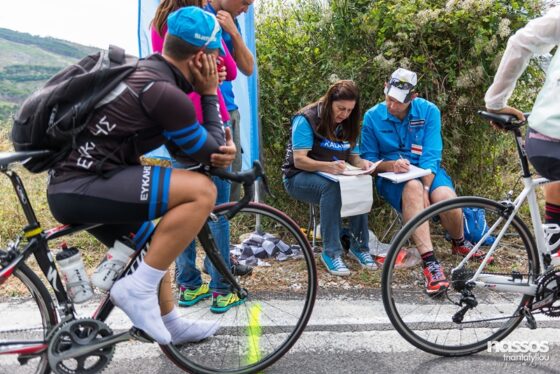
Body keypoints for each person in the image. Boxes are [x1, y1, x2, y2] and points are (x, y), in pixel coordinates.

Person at [46, 7, 235, 344]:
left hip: (76, 184)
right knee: (202, 191)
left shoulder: (147, 73)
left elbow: (189, 148)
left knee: (152, 242)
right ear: (199, 57)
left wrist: (208, 137)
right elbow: (214, 156)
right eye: (214, 57)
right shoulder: (165, 93)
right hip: (85, 185)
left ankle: (171, 323)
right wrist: (208, 93)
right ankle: (136, 289)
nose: (217, 65)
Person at [151, 0, 251, 314]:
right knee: (216, 210)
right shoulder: (202, 23)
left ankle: (188, 285)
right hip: (210, 121)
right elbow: (233, 70)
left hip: (177, 126)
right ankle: (222, 289)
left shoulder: (159, 26)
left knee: (182, 208)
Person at [361, 68, 493, 295]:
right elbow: (369, 161)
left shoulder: (429, 111)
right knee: (412, 188)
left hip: (427, 172)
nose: (392, 106)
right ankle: (430, 263)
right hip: (393, 179)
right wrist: (390, 165)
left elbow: (432, 155)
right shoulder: (372, 116)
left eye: (398, 102)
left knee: (445, 197)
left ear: (413, 97)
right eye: (389, 99)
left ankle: (459, 241)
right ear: (385, 88)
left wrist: (425, 186)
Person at [485, 3, 560, 254]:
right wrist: (495, 103)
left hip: (541, 136)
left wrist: (496, 102)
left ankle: (553, 255)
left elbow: (521, 42)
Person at [281, 80, 377, 276]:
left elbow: (353, 156)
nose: (344, 114)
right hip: (298, 177)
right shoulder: (306, 119)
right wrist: (327, 167)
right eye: (340, 108)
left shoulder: (349, 121)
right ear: (328, 102)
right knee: (332, 189)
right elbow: (299, 161)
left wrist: (363, 165)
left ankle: (360, 246)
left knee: (361, 184)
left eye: (350, 110)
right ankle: (331, 252)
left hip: (335, 175)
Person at [205, 0, 255, 201]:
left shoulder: (232, 20)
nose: (245, 10)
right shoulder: (200, 12)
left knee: (231, 183)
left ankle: (221, 228)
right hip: (206, 110)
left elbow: (248, 68)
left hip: (230, 109)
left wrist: (233, 32)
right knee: (210, 189)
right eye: (244, 3)